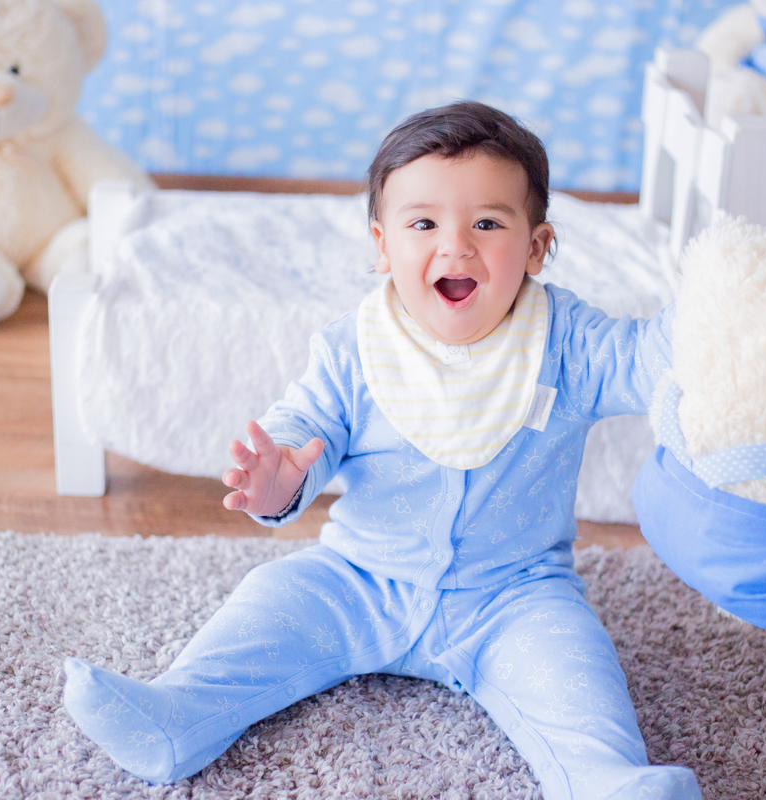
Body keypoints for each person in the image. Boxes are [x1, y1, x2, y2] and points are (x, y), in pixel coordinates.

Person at [63, 101, 701, 800]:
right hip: (360, 579)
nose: (456, 247)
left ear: (537, 247)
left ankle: (610, 782)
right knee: (271, 600)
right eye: (423, 224)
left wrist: (713, 305)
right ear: (381, 246)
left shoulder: (567, 340)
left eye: (488, 224)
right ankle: (175, 715)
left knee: (576, 679)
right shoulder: (356, 346)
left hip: (515, 595)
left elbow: (647, 358)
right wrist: (279, 477)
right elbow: (304, 424)